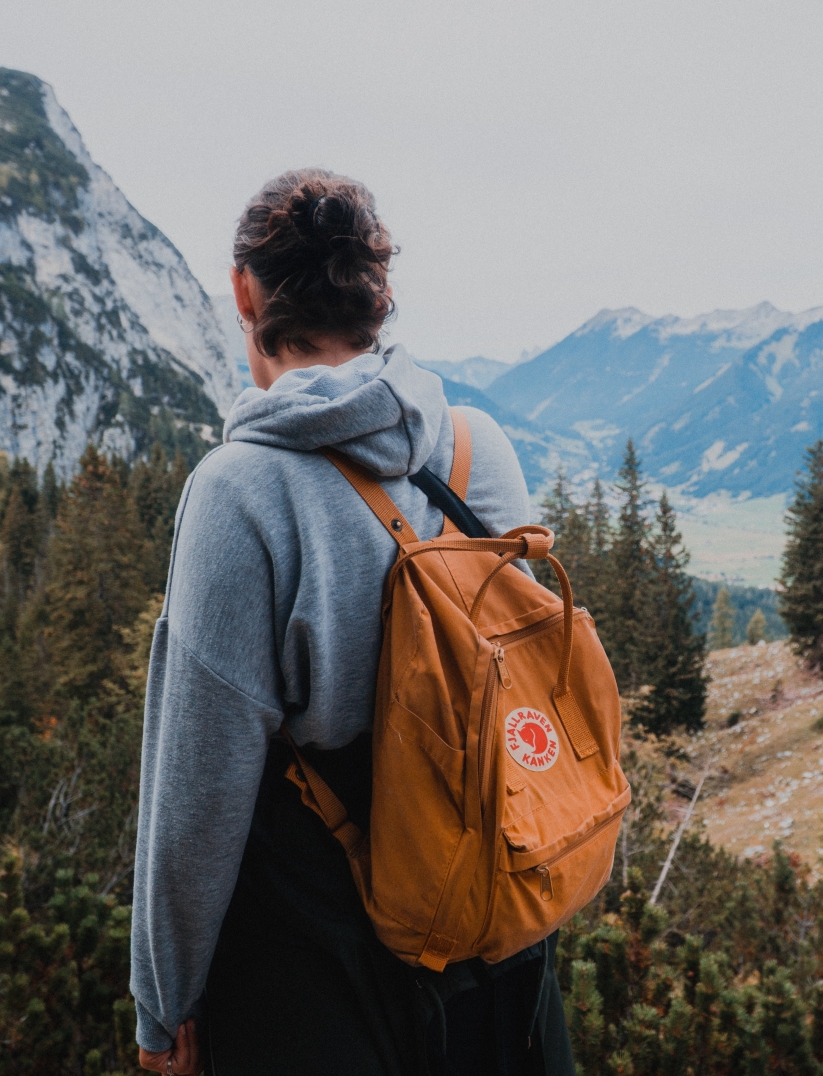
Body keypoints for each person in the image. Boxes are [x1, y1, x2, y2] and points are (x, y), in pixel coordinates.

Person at [131, 168, 574, 1075]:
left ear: (245, 292)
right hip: (500, 958)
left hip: (323, 975)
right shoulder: (474, 446)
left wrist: (161, 1003)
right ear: (379, 298)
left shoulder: (238, 492)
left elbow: (196, 795)